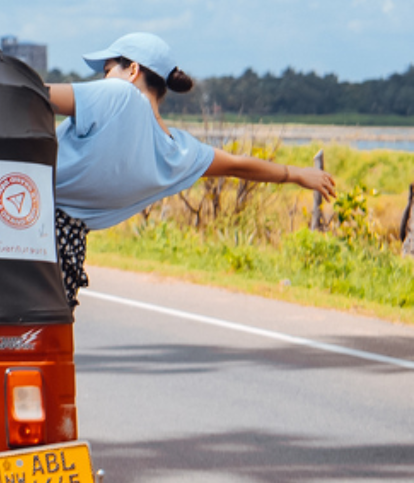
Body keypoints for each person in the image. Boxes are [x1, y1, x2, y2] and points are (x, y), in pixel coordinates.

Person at [48, 32, 336, 306]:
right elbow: (237, 165)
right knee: (46, 336)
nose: (103, 80)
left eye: (107, 70)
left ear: (132, 70)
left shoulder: (119, 95)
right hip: (67, 252)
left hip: (33, 224)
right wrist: (295, 174)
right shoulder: (179, 152)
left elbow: (36, 95)